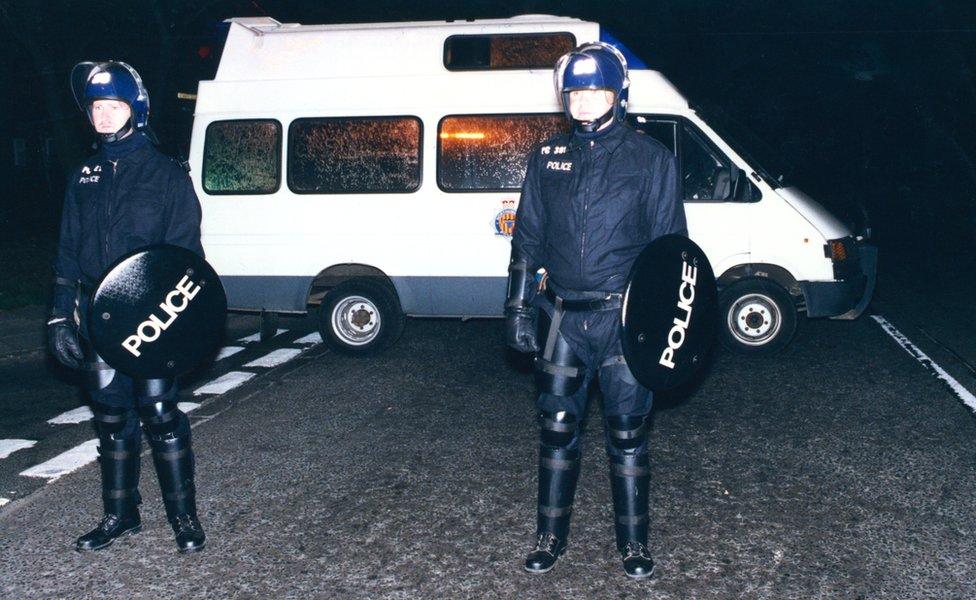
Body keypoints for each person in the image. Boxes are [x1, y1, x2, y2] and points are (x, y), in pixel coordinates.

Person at [505, 42, 687, 579]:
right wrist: (517, 308)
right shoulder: (546, 157)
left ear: (617, 94)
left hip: (621, 322)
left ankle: (634, 544)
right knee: (557, 427)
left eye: (594, 91)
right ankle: (549, 536)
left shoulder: (651, 159)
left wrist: (663, 328)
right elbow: (528, 238)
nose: (583, 102)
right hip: (561, 317)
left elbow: (669, 247)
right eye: (574, 93)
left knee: (627, 432)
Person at [48, 61, 207, 553]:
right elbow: (68, 250)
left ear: (134, 110)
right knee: (112, 418)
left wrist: (173, 319)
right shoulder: (84, 176)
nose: (103, 115)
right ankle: (121, 515)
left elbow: (185, 255)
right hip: (99, 316)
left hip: (154, 315)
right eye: (97, 106)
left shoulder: (165, 174)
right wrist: (59, 314)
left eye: (113, 105)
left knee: (159, 413)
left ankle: (184, 519)